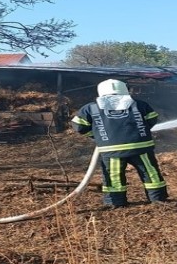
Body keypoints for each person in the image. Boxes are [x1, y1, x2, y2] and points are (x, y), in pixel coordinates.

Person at [71, 79, 168, 208]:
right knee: (150, 173)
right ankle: (158, 199)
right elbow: (152, 118)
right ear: (124, 90)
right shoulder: (138, 104)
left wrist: (97, 136)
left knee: (114, 177)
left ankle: (115, 202)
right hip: (140, 147)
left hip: (111, 150)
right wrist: (140, 131)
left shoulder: (91, 108)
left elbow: (78, 126)